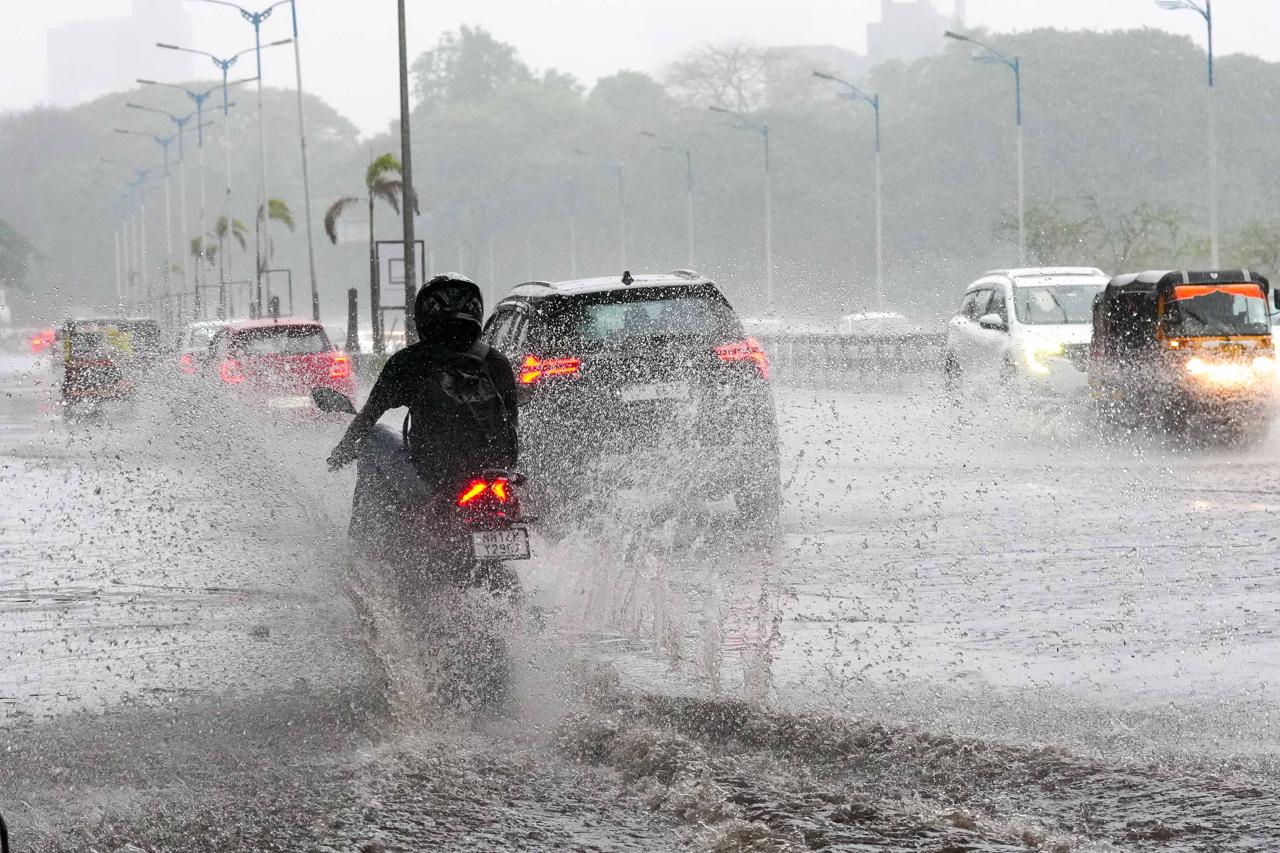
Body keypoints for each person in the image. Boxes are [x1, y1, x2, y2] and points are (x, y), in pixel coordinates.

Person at [326, 274, 518, 491]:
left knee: (375, 435)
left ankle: (370, 515)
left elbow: (369, 415)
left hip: (430, 479)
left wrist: (342, 451)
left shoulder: (409, 361)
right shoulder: (497, 362)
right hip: (496, 476)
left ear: (424, 315)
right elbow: (511, 426)